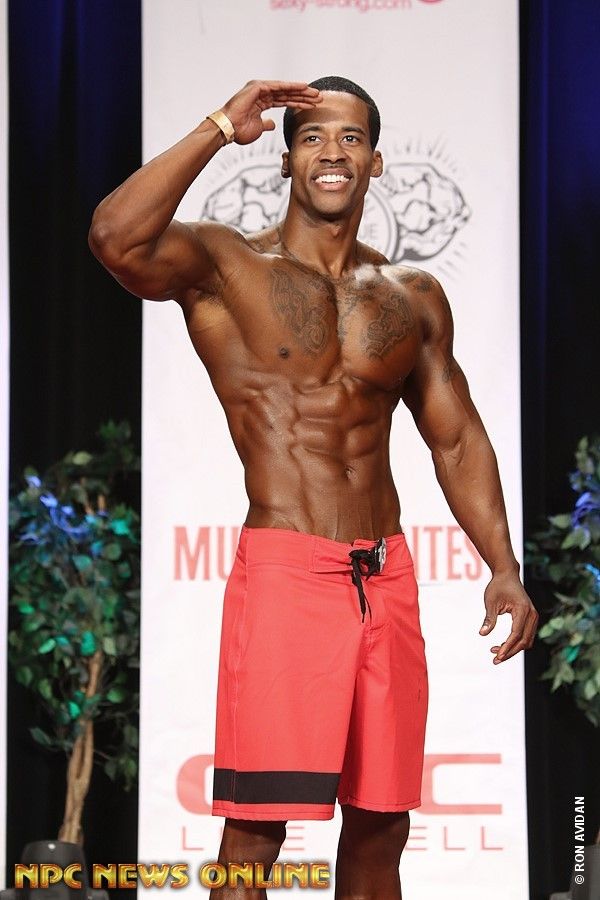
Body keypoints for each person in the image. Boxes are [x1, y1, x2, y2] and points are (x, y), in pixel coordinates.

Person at [89, 76, 539, 900]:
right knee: (256, 831)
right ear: (287, 157)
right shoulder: (227, 265)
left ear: (376, 160)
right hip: (288, 572)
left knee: (382, 826)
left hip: (386, 577)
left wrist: (503, 566)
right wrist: (220, 126)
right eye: (312, 137)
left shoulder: (411, 295)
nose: (333, 152)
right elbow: (116, 236)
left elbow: (456, 437)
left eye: (350, 137)